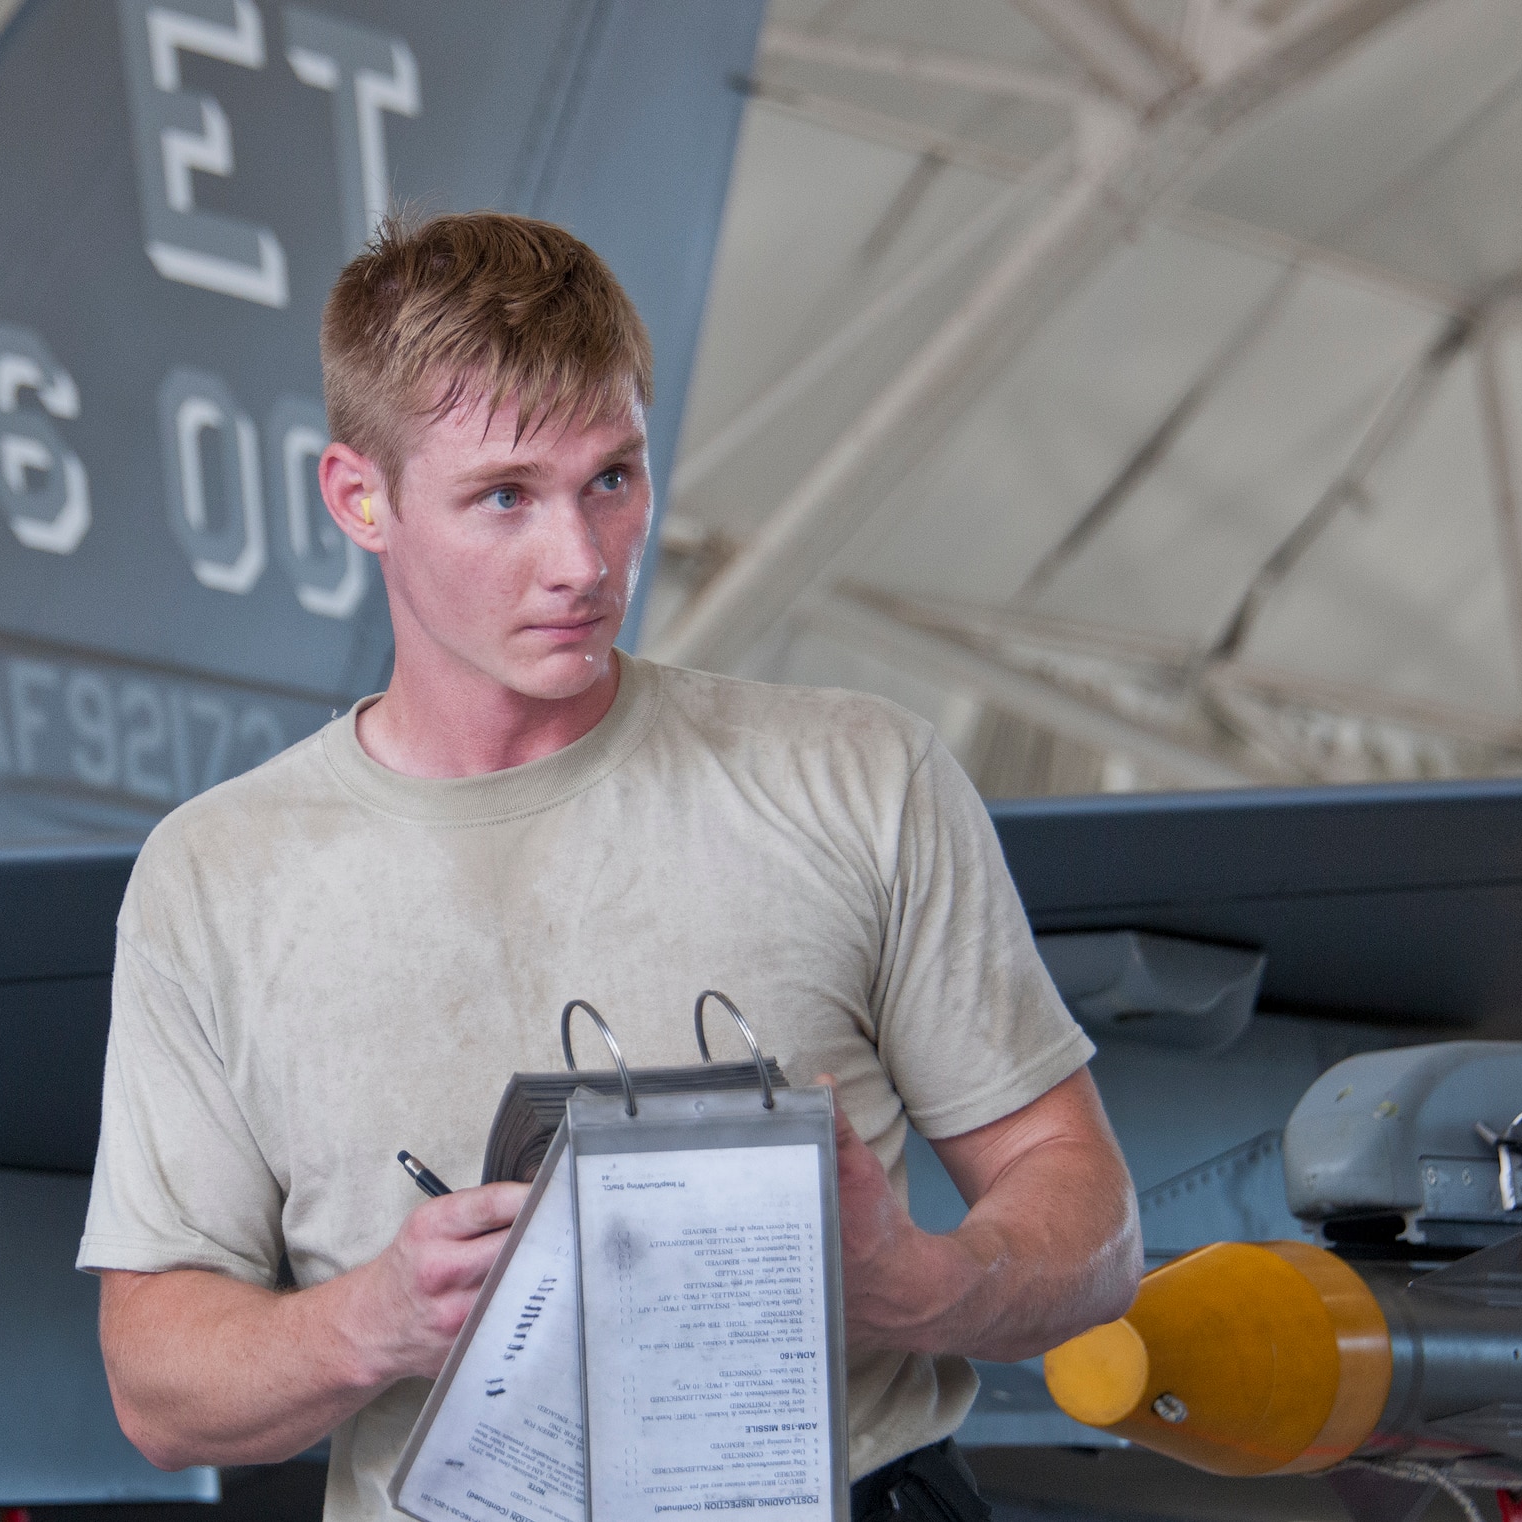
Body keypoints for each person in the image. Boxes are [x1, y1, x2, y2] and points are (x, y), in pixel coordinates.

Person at [79, 212, 1141, 1522]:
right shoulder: (217, 876)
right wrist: (377, 1318)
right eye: (506, 496)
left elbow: (1091, 1215)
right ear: (360, 498)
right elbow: (155, 1383)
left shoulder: (864, 779)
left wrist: (916, 1282)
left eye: (614, 479)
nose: (581, 563)